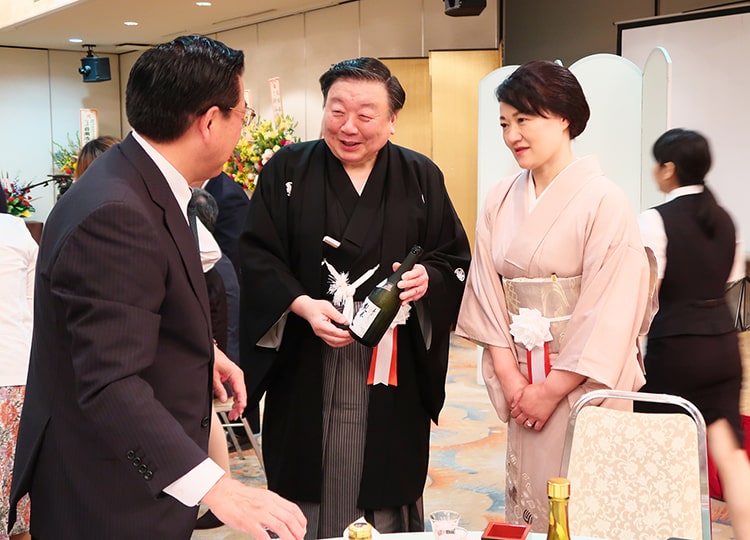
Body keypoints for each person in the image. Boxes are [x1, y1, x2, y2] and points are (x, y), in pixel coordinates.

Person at [9, 35, 306, 540]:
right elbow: (109, 381)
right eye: (243, 114)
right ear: (209, 122)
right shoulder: (117, 211)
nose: (243, 126)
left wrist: (204, 352)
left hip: (130, 474)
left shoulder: (141, 180)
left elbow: (132, 310)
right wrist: (218, 488)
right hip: (108, 491)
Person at [239, 56, 471, 539]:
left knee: (385, 476)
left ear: (392, 120)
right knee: (306, 473)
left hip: (393, 365)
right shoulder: (287, 170)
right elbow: (257, 254)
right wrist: (301, 305)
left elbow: (452, 256)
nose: (348, 127)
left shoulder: (421, 176)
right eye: (337, 110)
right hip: (305, 357)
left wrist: (427, 278)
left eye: (365, 115)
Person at [455, 60, 651, 533]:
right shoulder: (500, 198)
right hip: (523, 383)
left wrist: (549, 391)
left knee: (583, 505)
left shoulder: (605, 201)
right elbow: (486, 292)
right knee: (532, 500)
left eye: (524, 120)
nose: (512, 136)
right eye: (504, 123)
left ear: (563, 117)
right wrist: (513, 381)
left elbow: (610, 311)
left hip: (583, 385)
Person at [637, 128, 750, 539]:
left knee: (659, 454)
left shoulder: (654, 220)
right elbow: (730, 282)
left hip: (675, 350)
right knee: (730, 453)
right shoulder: (726, 219)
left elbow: (645, 294)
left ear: (669, 169)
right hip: (722, 346)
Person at [0, 204, 37, 540]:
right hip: (19, 373)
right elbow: (34, 304)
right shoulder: (14, 229)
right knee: (18, 502)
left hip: (14, 369)